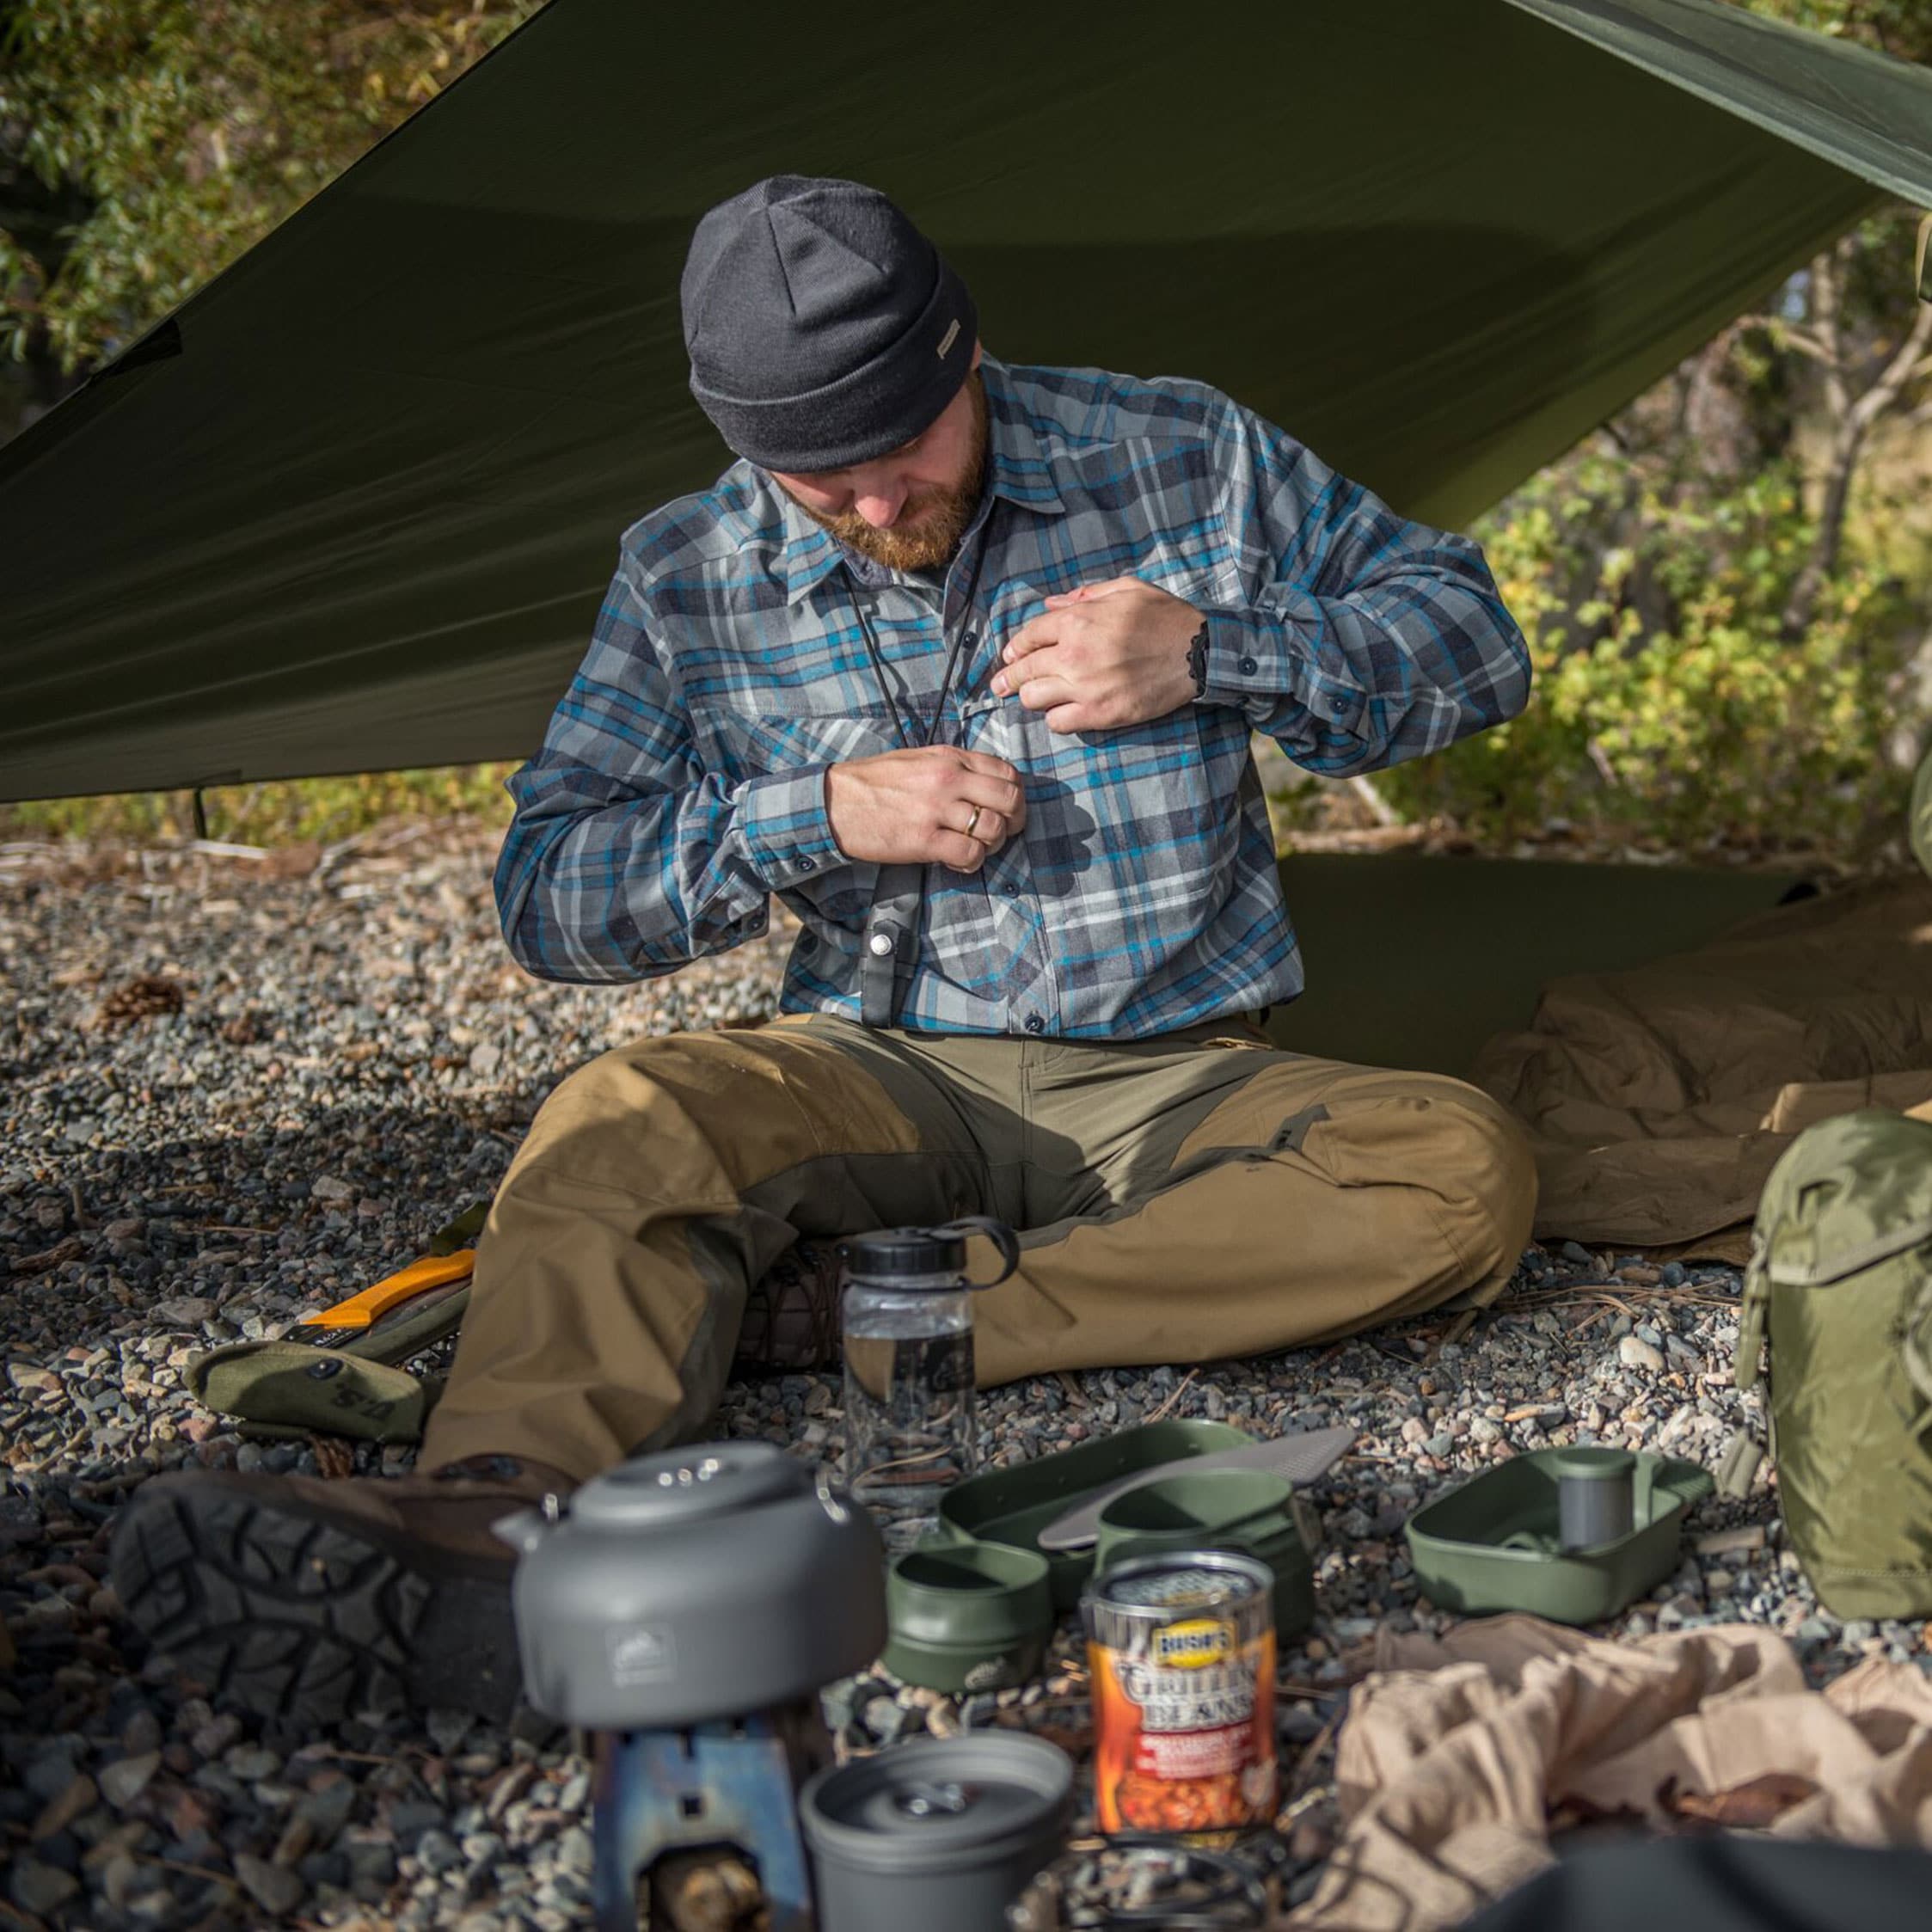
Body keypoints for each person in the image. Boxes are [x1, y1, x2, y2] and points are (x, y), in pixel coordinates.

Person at [111, 176, 1537, 1725]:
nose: (871, 507)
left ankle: (878, 1315)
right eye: (815, 480)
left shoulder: (1185, 454)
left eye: (902, 450)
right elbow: (548, 892)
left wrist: (1212, 649)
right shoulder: (687, 572)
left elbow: (1474, 638)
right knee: (624, 1115)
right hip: (878, 1069)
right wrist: (809, 818)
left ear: (964, 353)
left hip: (1184, 1073)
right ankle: (489, 1520)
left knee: (1458, 1167)